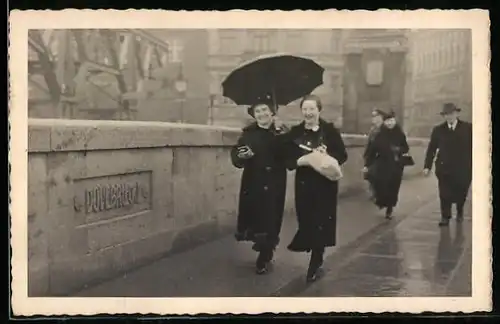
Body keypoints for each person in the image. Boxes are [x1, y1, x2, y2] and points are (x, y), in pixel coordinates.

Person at [283, 94, 348, 282]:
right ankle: (312, 248)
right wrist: (300, 160)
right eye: (305, 109)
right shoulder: (295, 132)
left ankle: (316, 260)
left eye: (312, 109)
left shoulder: (330, 131)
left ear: (319, 110)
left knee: (321, 220)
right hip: (304, 182)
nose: (308, 113)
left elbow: (342, 155)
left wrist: (328, 154)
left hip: (325, 183)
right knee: (306, 218)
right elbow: (286, 157)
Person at [230, 102, 288, 274]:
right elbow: (236, 154)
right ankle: (265, 250)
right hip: (253, 181)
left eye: (265, 110)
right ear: (254, 114)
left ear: (272, 112)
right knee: (256, 217)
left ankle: (264, 255)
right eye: (258, 111)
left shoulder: (282, 132)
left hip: (274, 181)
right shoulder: (248, 133)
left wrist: (279, 134)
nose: (262, 113)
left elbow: (289, 155)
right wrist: (242, 156)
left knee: (270, 217)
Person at [423, 103, 472, 227]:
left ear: (457, 114)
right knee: (444, 193)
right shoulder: (438, 130)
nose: (449, 116)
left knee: (461, 192)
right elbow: (431, 149)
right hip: (444, 167)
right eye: (446, 114)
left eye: (451, 113)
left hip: (463, 168)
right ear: (443, 116)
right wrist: (427, 166)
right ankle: (445, 216)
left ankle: (460, 210)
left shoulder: (468, 128)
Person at [362, 110, 410, 219]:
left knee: (393, 188)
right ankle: (382, 201)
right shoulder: (380, 134)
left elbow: (406, 147)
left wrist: (397, 149)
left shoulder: (399, 134)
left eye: (391, 121)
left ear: (395, 121)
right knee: (382, 186)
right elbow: (372, 151)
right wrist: (367, 165)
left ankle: (389, 209)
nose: (389, 123)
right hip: (383, 165)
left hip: (396, 165)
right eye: (387, 121)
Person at [363, 109, 385, 200]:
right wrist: (366, 155)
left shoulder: (385, 129)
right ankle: (374, 192)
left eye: (375, 116)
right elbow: (369, 144)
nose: (373, 118)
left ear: (381, 118)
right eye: (373, 116)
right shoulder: (373, 130)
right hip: (372, 156)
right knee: (370, 175)